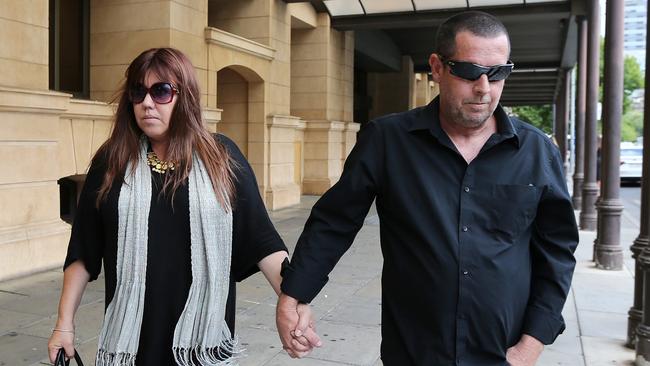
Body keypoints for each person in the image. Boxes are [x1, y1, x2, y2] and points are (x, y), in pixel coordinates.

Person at [276, 11, 578, 366]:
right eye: (469, 72)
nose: (484, 87)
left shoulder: (537, 152)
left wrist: (532, 343)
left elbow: (557, 252)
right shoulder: (387, 141)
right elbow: (334, 222)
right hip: (412, 351)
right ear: (437, 67)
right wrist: (294, 294)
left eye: (498, 73)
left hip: (503, 355)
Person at [47, 47, 319, 366]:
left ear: (185, 96)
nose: (147, 102)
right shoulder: (113, 160)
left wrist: (293, 302)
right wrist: (64, 324)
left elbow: (262, 241)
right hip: (131, 343)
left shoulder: (222, 157)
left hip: (199, 346)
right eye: (138, 92)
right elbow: (83, 249)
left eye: (161, 91)